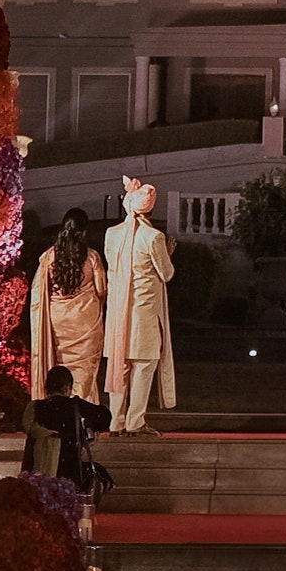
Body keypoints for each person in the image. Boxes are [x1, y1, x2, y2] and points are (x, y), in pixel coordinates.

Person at [103, 177, 175, 434]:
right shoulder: (154, 237)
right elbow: (166, 273)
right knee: (143, 370)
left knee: (119, 370)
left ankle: (115, 422)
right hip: (143, 317)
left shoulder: (111, 235)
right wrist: (168, 253)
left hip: (117, 318)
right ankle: (135, 422)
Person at [32, 208, 108, 402]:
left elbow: (42, 290)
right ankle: (82, 412)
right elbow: (101, 289)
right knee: (85, 371)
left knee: (60, 366)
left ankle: (59, 410)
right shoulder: (91, 257)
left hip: (58, 322)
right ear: (83, 232)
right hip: (86, 322)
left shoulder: (48, 257)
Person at [23, 364, 113, 488]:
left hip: (36, 473)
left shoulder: (34, 407)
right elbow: (104, 417)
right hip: (68, 472)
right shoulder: (75, 406)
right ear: (67, 388)